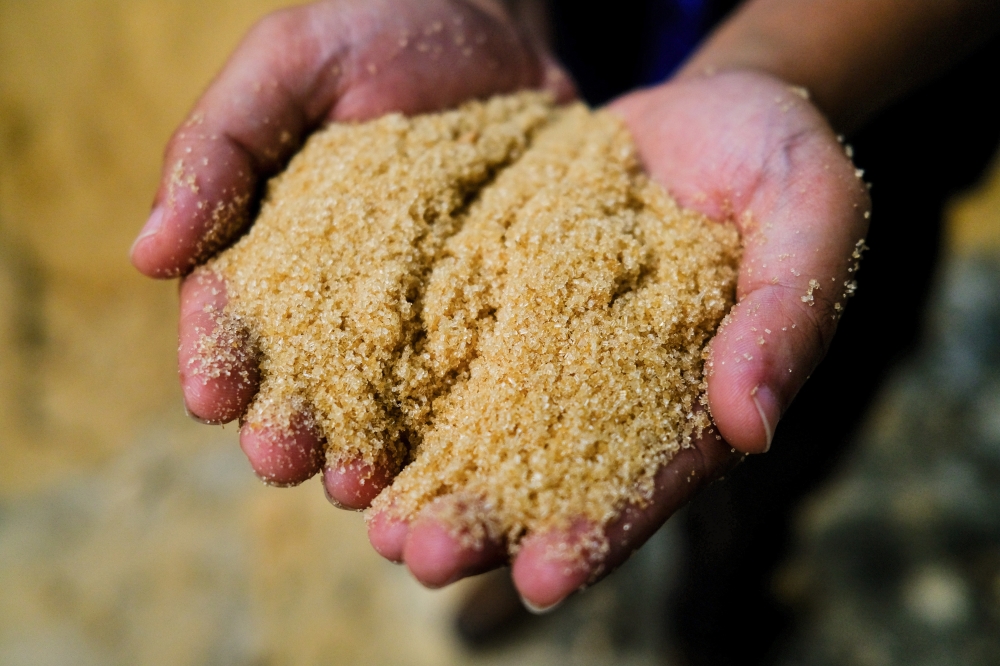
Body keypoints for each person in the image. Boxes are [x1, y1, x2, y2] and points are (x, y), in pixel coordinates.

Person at [130, 1, 1000, 661]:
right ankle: (521, 573)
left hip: (853, 121)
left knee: (774, 436)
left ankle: (721, 612)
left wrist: (780, 61)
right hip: (553, 47)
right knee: (508, 504)